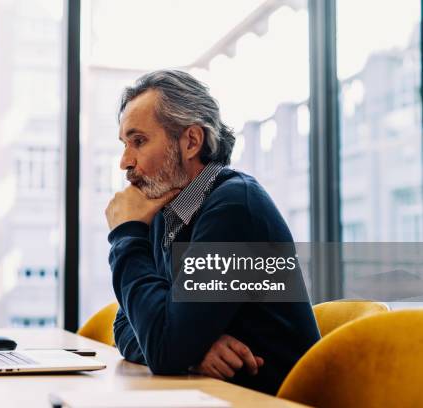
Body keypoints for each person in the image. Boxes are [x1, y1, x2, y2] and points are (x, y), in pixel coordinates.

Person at [104, 70, 320, 395]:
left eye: (139, 141)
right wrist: (191, 353)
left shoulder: (234, 207)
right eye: (124, 144)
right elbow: (126, 326)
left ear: (191, 141)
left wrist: (126, 233)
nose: (125, 162)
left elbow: (163, 347)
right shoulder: (166, 213)